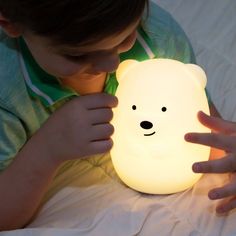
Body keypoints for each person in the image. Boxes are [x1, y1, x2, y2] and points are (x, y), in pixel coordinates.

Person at [0, 0, 220, 231]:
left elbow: (207, 130)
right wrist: (47, 148)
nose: (111, 64)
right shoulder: (7, 93)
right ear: (9, 23)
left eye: (125, 39)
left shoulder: (157, 36)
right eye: (78, 56)